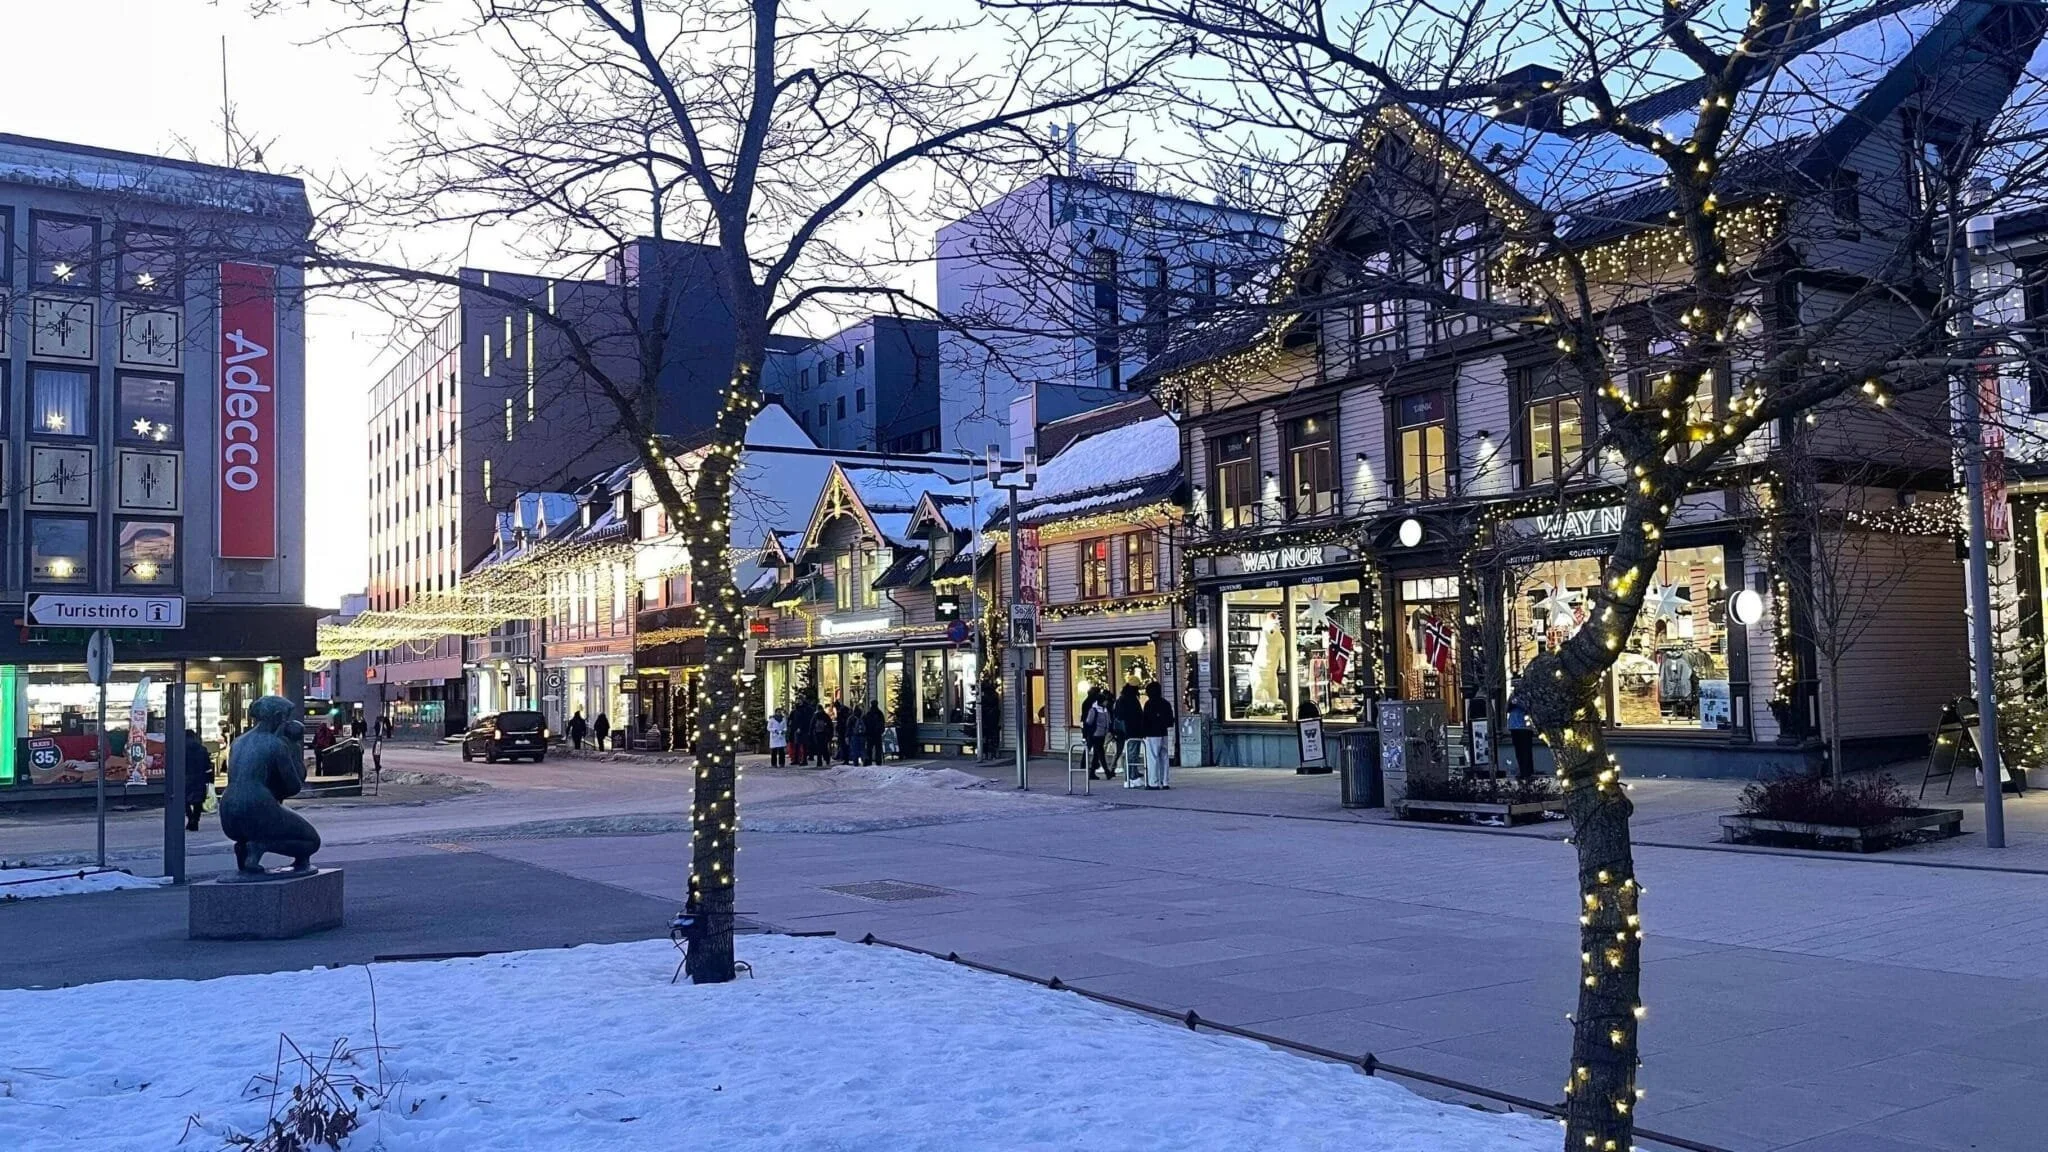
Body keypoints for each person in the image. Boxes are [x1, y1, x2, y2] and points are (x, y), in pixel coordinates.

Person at [1142, 681, 1175, 790]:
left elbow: (1145, 719)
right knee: (1164, 757)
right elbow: (1170, 719)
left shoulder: (1149, 704)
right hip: (1163, 733)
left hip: (1152, 733)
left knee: (1152, 757)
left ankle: (1153, 782)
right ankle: (1165, 781)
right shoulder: (1165, 703)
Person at [182, 726, 213, 832]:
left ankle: (190, 818)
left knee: (184, 800)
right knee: (198, 801)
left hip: (185, 777)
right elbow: (208, 765)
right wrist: (209, 778)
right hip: (200, 777)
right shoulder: (202, 749)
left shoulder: (181, 749)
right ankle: (195, 819)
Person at [1113, 684, 1145, 786]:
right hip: (1134, 730)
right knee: (1133, 754)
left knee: (1130, 753)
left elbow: (1118, 715)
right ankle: (1132, 777)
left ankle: (1130, 776)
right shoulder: (1132, 701)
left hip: (1127, 731)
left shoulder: (1121, 700)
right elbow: (1137, 715)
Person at [1082, 688, 1113, 780]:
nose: (1106, 703)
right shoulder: (1094, 710)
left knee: (1097, 753)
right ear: (1101, 702)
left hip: (1102, 734)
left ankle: (1092, 772)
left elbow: (1108, 721)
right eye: (1105, 701)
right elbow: (1089, 722)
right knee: (1100, 753)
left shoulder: (1105, 710)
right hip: (1095, 734)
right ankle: (1107, 771)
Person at [1508, 701, 1535, 781]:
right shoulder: (1513, 695)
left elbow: (1529, 707)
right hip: (1514, 726)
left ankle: (1526, 772)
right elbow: (1507, 708)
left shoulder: (1525, 694)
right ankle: (1523, 770)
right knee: (1519, 750)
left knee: (1525, 750)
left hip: (1525, 726)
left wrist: (1518, 703)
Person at [789, 696, 812, 768]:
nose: (798, 701)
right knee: (796, 744)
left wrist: (801, 727)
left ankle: (804, 760)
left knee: (804, 744)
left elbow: (805, 719)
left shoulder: (806, 709)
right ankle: (796, 759)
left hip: (803, 729)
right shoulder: (796, 709)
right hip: (796, 729)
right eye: (797, 700)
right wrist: (791, 724)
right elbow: (792, 718)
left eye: (799, 700)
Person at [809, 702, 833, 767]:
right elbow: (830, 726)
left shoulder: (815, 716)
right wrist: (830, 735)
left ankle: (819, 762)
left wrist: (811, 734)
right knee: (824, 748)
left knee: (819, 749)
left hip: (817, 734)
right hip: (825, 734)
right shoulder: (826, 716)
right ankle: (827, 759)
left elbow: (812, 725)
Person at [864, 700, 886, 765]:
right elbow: (882, 723)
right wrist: (881, 731)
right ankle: (878, 761)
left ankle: (869, 761)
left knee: (869, 749)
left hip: (870, 734)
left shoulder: (869, 713)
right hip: (877, 734)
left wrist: (866, 732)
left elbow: (865, 723)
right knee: (878, 749)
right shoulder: (879, 713)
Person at [847, 700, 868, 766]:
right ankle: (864, 759)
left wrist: (847, 736)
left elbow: (848, 727)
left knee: (855, 749)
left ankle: (855, 762)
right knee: (862, 748)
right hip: (862, 735)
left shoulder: (851, 718)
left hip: (854, 735)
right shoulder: (864, 717)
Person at [833, 696, 852, 764]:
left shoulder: (841, 712)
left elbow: (841, 722)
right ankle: (845, 757)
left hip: (843, 731)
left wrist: (838, 728)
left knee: (844, 745)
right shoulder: (845, 711)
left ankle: (845, 758)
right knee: (844, 745)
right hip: (844, 731)